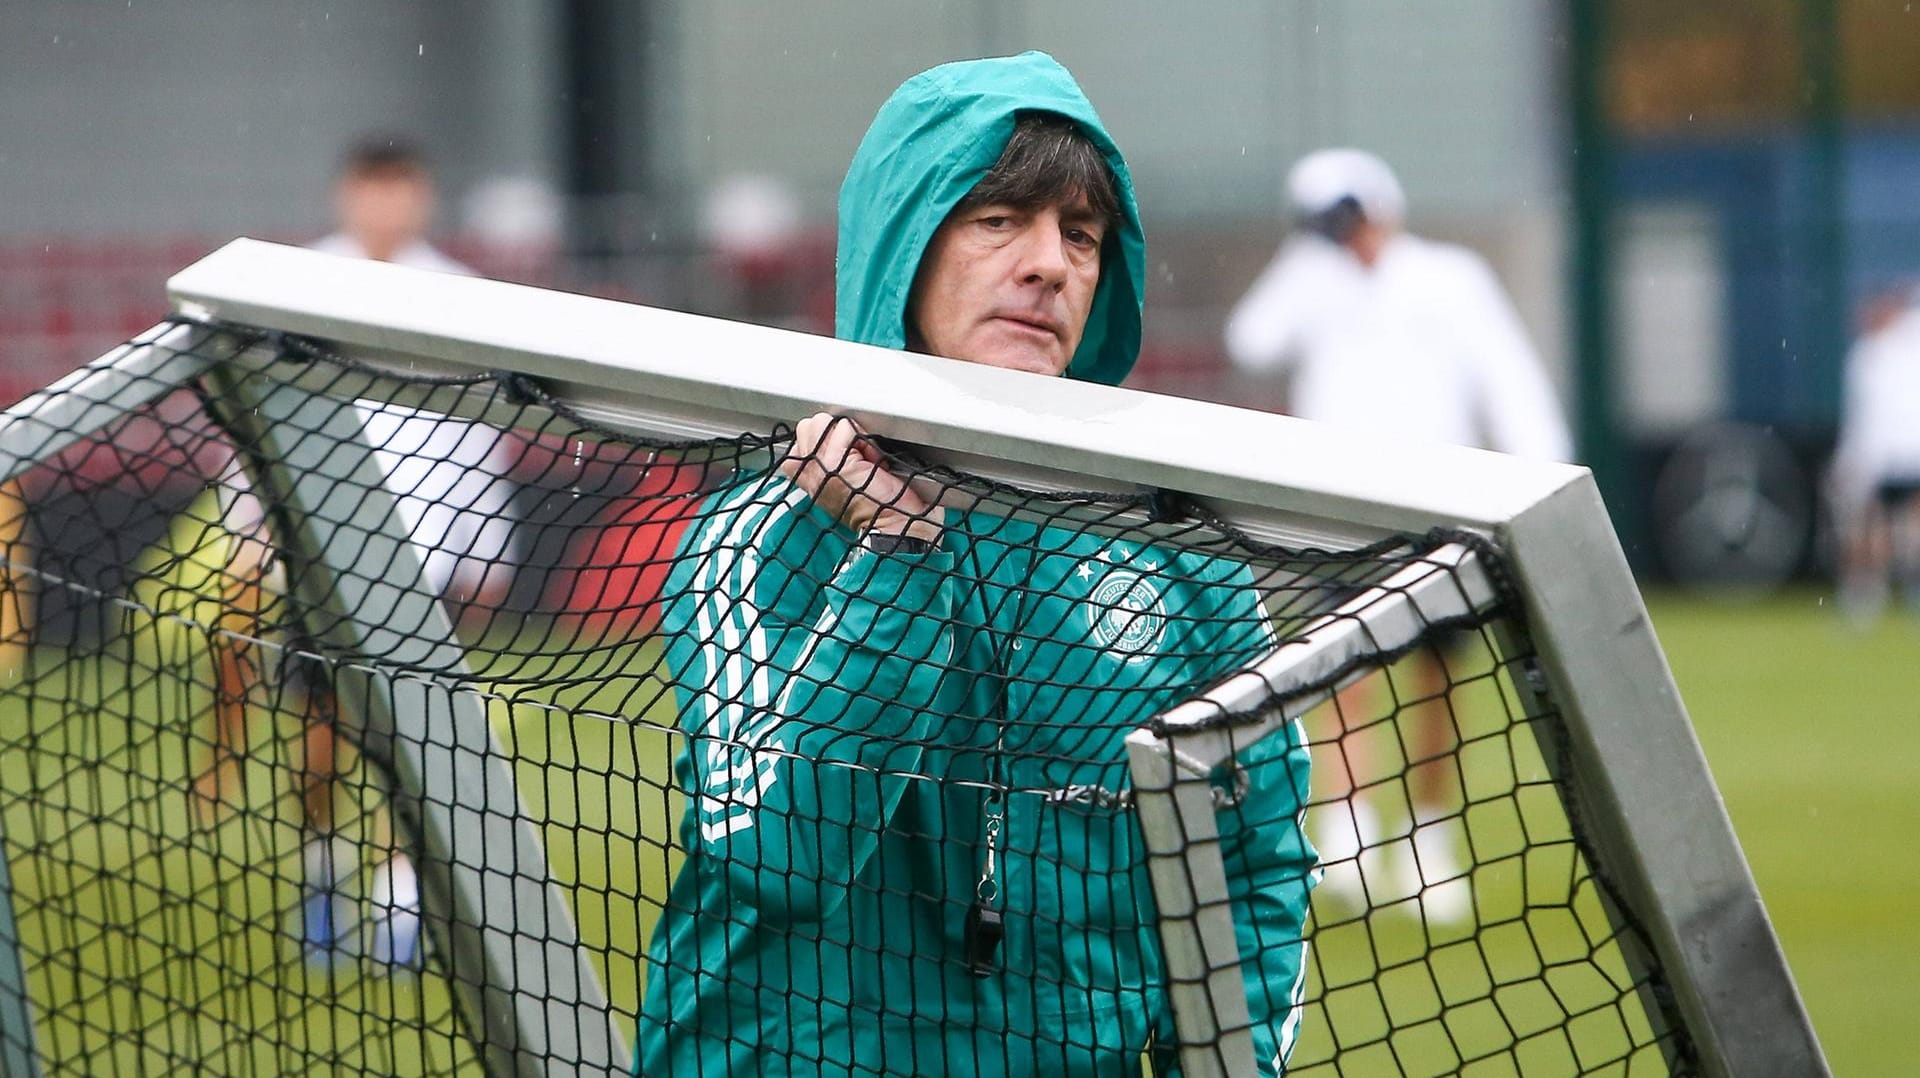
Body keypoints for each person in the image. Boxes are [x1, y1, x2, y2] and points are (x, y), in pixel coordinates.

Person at [636, 53, 1316, 1076]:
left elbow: (1258, 857)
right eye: (999, 219)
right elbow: (782, 860)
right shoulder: (755, 536)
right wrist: (895, 549)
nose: (1050, 262)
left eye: (1080, 235)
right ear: (903, 243)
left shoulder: (1184, 553)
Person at [181, 135, 522, 968]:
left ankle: (401, 908)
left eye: (399, 191)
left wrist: (487, 545)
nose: (385, 207)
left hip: (424, 556)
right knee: (322, 740)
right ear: (347, 196)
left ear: (422, 198)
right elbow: (255, 419)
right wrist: (247, 530)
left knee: (418, 743)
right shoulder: (297, 287)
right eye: (372, 191)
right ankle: (323, 880)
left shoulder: (461, 296)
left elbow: (480, 439)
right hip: (317, 552)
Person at [1224, 148, 1572, 922]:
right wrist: (1305, 257)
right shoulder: (1311, 282)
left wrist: (1542, 476)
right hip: (1342, 515)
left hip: (1437, 512)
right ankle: (1346, 837)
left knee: (1437, 679)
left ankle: (1428, 840)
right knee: (1344, 673)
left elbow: (1508, 378)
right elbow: (1252, 338)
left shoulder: (1451, 279)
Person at [1829, 284, 1920, 626]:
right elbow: (1863, 416)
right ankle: (1865, 596)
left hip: (1906, 455)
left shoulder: (1903, 344)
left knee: (1906, 529)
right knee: (1872, 529)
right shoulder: (1866, 355)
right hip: (1882, 458)